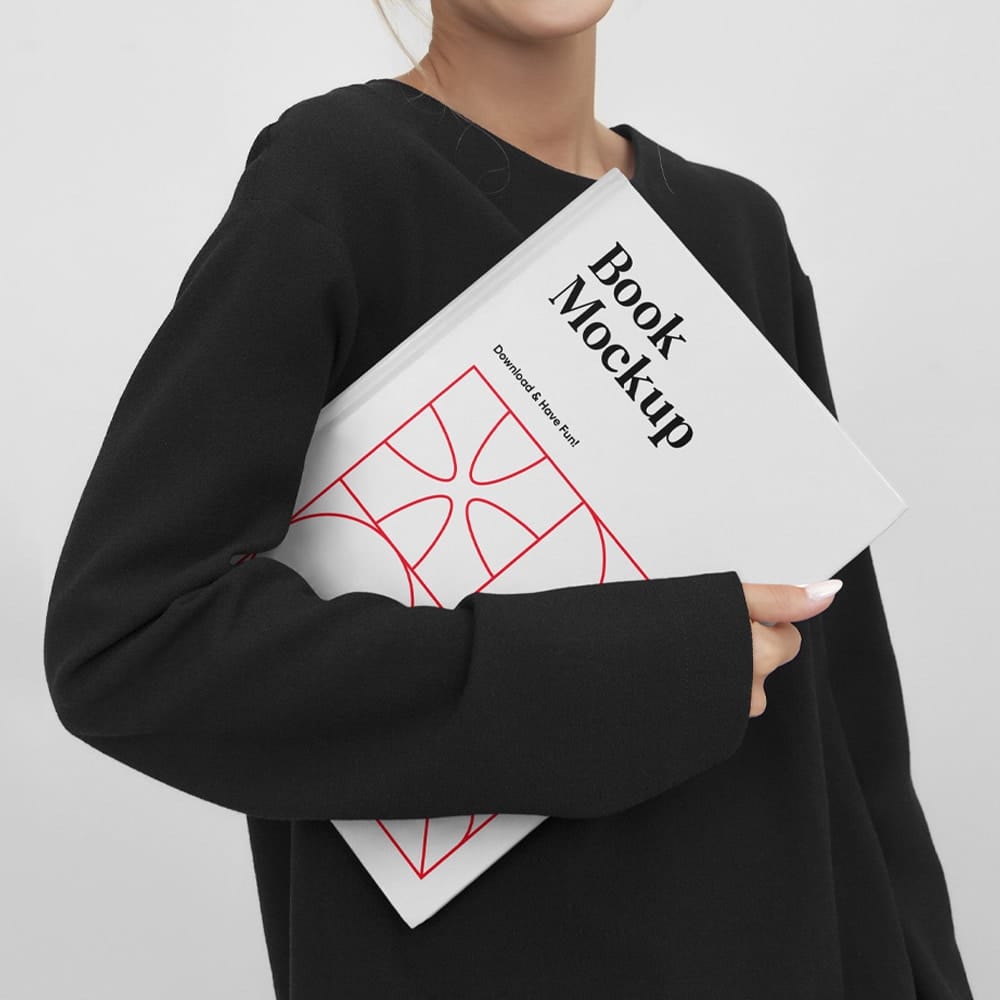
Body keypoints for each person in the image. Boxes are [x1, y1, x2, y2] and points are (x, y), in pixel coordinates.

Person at [42, 0, 975, 997]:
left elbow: (852, 733)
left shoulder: (737, 231)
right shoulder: (341, 177)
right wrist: (634, 670)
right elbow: (131, 645)